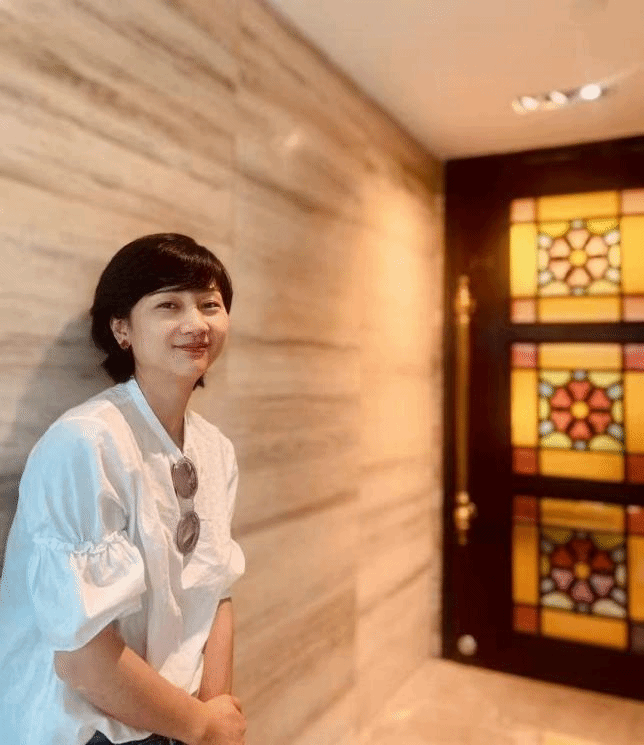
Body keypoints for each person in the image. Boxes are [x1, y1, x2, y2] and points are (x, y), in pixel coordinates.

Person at [0, 234, 247, 745]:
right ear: (122, 328)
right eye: (169, 305)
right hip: (88, 728)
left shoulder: (216, 449)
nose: (197, 323)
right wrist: (202, 727)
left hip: (179, 720)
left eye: (210, 304)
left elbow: (216, 589)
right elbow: (82, 658)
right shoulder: (86, 443)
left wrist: (212, 712)